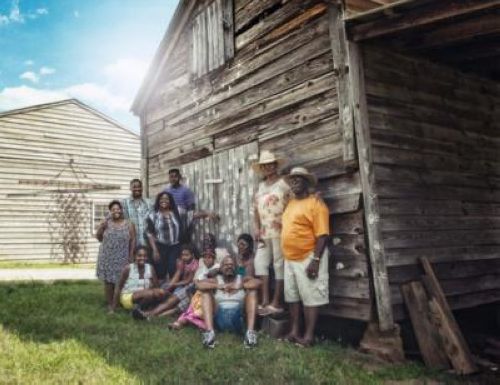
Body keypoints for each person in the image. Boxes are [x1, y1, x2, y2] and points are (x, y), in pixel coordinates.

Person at [281, 167, 330, 348]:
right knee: (292, 296)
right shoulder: (291, 203)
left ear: (307, 182)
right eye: (292, 180)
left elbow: (323, 235)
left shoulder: (316, 204)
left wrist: (315, 260)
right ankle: (294, 331)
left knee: (311, 297)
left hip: (308, 256)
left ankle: (308, 336)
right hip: (290, 258)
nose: (294, 183)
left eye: (299, 179)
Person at [251, 151, 290, 315]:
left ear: (275, 165)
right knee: (260, 263)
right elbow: (255, 210)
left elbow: (293, 203)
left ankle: (276, 302)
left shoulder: (283, 184)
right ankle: (265, 299)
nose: (267, 167)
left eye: (270, 164)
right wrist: (256, 227)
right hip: (264, 232)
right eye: (264, 165)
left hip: (280, 230)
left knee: (279, 265)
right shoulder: (260, 186)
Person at [197, 255, 261, 349]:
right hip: (219, 317)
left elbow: (258, 283)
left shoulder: (242, 278)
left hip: (239, 318)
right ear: (221, 268)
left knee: (252, 291)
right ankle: (210, 334)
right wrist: (218, 286)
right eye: (226, 265)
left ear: (236, 267)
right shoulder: (216, 280)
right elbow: (199, 285)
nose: (229, 266)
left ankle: (250, 334)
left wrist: (240, 286)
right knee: (205, 293)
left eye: (231, 264)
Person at [135, 244, 199, 320]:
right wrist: (170, 285)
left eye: (186, 255)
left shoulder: (195, 264)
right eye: (182, 255)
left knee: (171, 301)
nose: (184, 257)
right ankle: (148, 310)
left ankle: (149, 314)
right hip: (181, 285)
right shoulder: (183, 261)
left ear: (192, 255)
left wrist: (174, 284)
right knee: (165, 290)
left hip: (189, 286)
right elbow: (178, 274)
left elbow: (188, 281)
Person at [96, 200, 136, 311]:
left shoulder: (129, 223)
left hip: (123, 256)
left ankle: (118, 302)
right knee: (108, 281)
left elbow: (133, 240)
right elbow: (99, 238)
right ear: (110, 211)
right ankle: (110, 304)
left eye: (118, 209)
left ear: (122, 210)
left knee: (121, 280)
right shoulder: (106, 223)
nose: (116, 211)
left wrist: (131, 255)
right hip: (107, 256)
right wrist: (101, 227)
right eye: (113, 209)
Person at [169, 245, 220, 331]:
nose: (207, 259)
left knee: (199, 313)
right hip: (196, 296)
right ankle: (177, 324)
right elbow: (195, 283)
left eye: (210, 257)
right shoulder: (201, 269)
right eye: (205, 257)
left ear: (214, 258)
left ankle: (201, 326)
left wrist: (201, 282)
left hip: (208, 297)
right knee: (188, 313)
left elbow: (213, 282)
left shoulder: (216, 269)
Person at [110, 245, 164, 313]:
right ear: (134, 256)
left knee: (160, 292)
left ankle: (139, 310)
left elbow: (157, 287)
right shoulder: (128, 268)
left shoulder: (150, 268)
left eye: (145, 256)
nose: (142, 258)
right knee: (151, 293)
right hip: (128, 297)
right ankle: (141, 309)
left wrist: (152, 285)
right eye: (139, 255)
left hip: (145, 296)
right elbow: (118, 288)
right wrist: (113, 308)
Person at [145, 191, 182, 281]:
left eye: (166, 199)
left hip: (175, 246)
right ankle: (160, 291)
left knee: (172, 268)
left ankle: (172, 291)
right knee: (160, 270)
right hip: (160, 247)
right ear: (158, 201)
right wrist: (155, 250)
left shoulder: (177, 212)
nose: (164, 201)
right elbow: (149, 233)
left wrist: (206, 213)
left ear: (170, 201)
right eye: (161, 199)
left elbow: (190, 215)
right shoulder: (153, 215)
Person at [163, 168, 195, 242]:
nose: (173, 179)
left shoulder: (186, 191)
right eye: (171, 177)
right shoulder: (166, 191)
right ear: (169, 178)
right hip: (169, 221)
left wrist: (187, 223)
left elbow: (191, 207)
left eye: (175, 176)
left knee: (181, 243)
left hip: (182, 220)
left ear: (179, 177)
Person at [122, 179, 152, 247]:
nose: (137, 189)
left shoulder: (149, 203)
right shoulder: (124, 203)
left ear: (142, 188)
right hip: (130, 243)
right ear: (130, 188)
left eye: (139, 186)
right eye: (134, 187)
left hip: (147, 243)